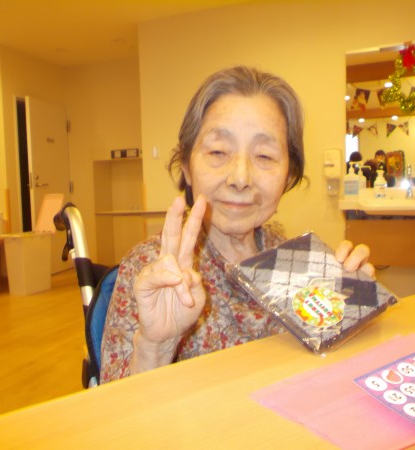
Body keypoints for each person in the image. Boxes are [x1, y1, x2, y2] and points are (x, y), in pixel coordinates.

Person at [100, 66, 373, 382]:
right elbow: (116, 407)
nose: (240, 178)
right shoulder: (152, 268)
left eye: (265, 156)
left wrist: (352, 312)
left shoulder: (291, 257)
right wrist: (155, 347)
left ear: (288, 176)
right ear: (186, 166)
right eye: (218, 151)